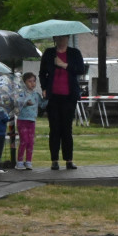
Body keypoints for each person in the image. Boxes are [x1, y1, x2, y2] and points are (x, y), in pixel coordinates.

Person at [38, 33, 86, 170]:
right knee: (54, 129)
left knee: (67, 129)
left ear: (68, 39)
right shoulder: (48, 53)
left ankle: (69, 160)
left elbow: (80, 69)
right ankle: (54, 160)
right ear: (54, 39)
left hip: (69, 96)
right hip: (53, 96)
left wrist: (64, 65)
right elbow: (42, 73)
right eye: (58, 38)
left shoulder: (74, 53)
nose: (61, 40)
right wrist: (44, 87)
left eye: (64, 38)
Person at [15, 72, 41, 170]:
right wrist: (26, 103)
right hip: (22, 120)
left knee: (31, 141)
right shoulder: (22, 93)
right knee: (24, 140)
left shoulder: (36, 95)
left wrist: (47, 98)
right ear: (24, 82)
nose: (32, 83)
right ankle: (20, 161)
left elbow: (42, 104)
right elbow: (18, 103)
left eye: (34, 81)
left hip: (32, 121)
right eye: (29, 81)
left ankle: (29, 161)